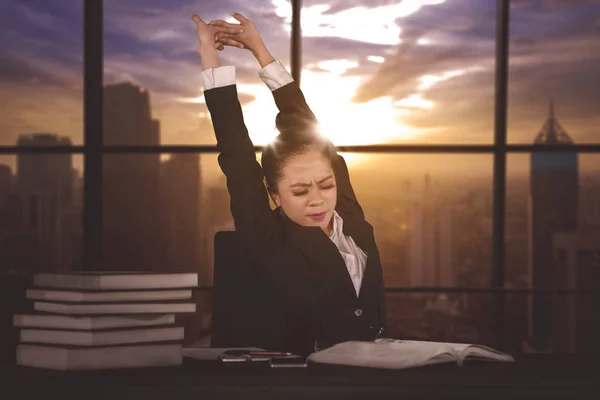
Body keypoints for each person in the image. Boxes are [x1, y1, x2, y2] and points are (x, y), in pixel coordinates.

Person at [191, 12, 386, 356]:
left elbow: (304, 120)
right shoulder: (268, 237)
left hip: (379, 371)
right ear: (275, 196)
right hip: (306, 381)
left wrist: (258, 47)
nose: (318, 200)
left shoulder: (350, 216)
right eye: (299, 191)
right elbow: (235, 151)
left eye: (326, 185)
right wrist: (209, 53)